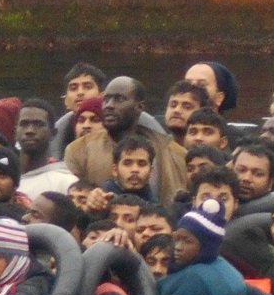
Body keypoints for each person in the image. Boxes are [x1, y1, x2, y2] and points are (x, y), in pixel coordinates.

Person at [157, 199, 274, 295]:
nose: (178, 247)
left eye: (187, 241)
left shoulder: (192, 279)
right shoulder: (227, 269)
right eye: (176, 239)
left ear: (206, 245)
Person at [64, 76, 186, 204]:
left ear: (139, 107)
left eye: (119, 99)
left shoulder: (173, 153)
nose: (109, 105)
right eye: (106, 99)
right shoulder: (79, 150)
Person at [15, 98, 78, 199]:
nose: (30, 130)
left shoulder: (66, 183)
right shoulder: (4, 181)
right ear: (15, 130)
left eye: (39, 125)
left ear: (53, 133)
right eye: (24, 124)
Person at [102, 135, 156, 201]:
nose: (135, 169)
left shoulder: (154, 202)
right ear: (115, 170)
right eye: (127, 163)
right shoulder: (101, 200)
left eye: (141, 164)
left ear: (150, 171)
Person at [162, 80, 211, 144]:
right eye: (173, 105)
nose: (177, 110)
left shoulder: (211, 148)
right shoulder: (155, 145)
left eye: (187, 107)